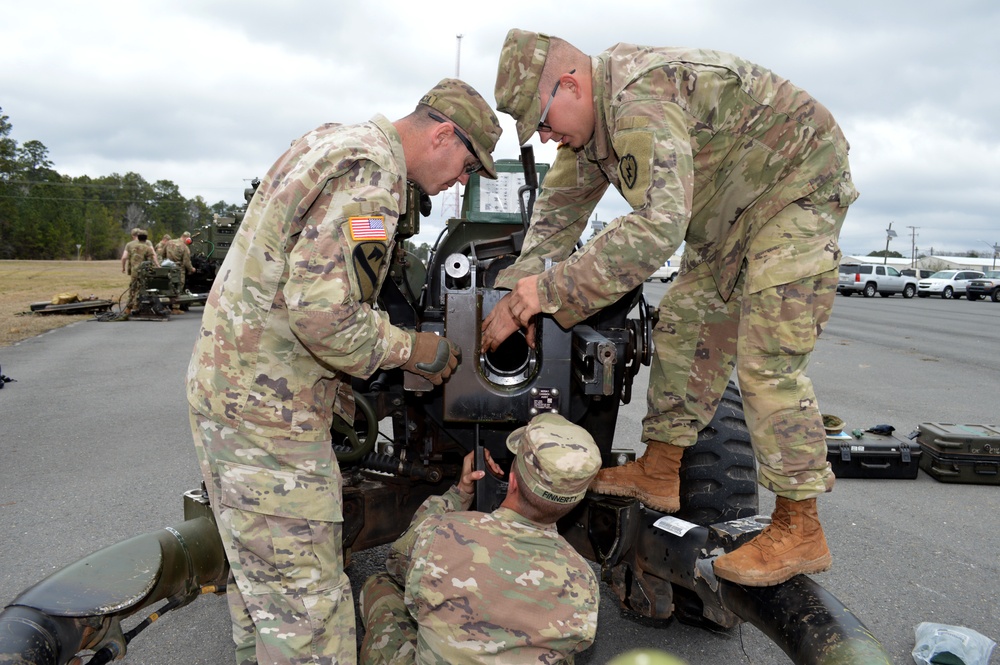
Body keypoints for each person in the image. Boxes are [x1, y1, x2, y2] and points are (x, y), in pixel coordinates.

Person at [484, 30, 859, 587]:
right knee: (684, 328)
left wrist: (549, 294)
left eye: (542, 119)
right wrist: (514, 298)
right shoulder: (589, 133)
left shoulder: (640, 97)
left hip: (793, 193)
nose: (544, 135)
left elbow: (658, 227)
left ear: (571, 83)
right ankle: (660, 470)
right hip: (724, 223)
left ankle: (800, 528)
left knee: (766, 364)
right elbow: (555, 219)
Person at [186, 78, 501, 665]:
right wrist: (416, 351)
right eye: (467, 165)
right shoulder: (373, 177)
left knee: (262, 595)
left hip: (234, 394)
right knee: (311, 618)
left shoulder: (333, 142)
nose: (464, 181)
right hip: (270, 416)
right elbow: (326, 316)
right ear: (441, 135)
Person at [359, 413, 602, 664]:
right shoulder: (582, 580)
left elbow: (396, 564)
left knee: (380, 586)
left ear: (512, 480)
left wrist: (460, 493)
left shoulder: (442, 535)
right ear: (576, 501)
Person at [122, 228, 157, 312]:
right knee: (141, 288)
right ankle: (137, 306)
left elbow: (124, 257)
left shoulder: (131, 246)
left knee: (132, 288)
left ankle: (128, 307)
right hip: (143, 272)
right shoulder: (148, 247)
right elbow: (150, 261)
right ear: (146, 237)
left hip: (134, 271)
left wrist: (123, 268)